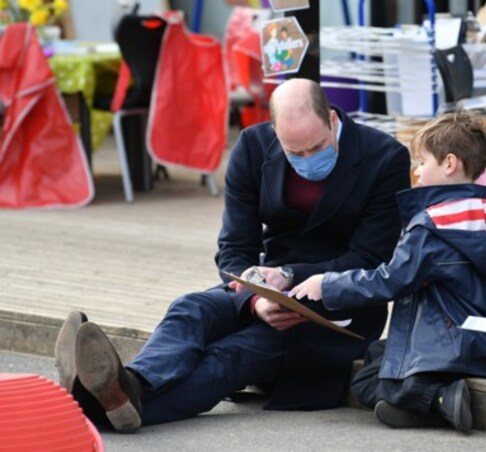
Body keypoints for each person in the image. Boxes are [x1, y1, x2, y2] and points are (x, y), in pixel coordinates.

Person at [53, 78, 411, 432]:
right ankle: (129, 386)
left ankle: (95, 407)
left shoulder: (385, 157)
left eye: (316, 147)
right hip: (260, 287)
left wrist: (289, 275)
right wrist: (256, 297)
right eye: (294, 152)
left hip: (338, 306)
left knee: (232, 354)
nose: (307, 160)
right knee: (190, 308)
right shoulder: (254, 146)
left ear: (333, 119)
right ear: (275, 132)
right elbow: (235, 248)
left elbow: (369, 259)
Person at [290, 111, 486, 432]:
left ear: (449, 164)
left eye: (421, 162)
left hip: (446, 348)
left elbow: (391, 281)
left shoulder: (432, 224)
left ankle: (438, 398)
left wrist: (328, 285)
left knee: (371, 381)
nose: (417, 172)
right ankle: (435, 403)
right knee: (380, 351)